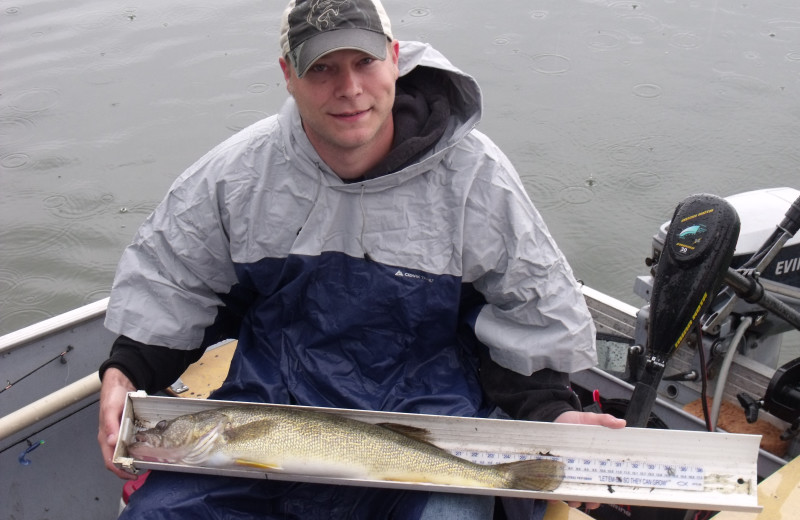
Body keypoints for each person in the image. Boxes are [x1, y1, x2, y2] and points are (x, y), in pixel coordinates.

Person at [98, 0, 625, 518]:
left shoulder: (477, 180)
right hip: (268, 412)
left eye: (364, 62)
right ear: (288, 74)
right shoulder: (235, 177)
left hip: (430, 432)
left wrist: (551, 412)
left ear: (395, 58)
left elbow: (526, 316)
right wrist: (125, 372)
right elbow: (178, 285)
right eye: (322, 68)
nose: (348, 89)